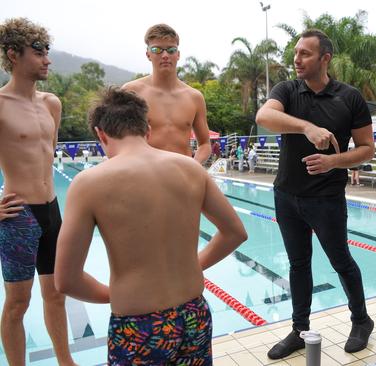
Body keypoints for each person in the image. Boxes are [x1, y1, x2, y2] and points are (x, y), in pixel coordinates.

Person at [53, 88, 247, 365]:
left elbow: (65, 279)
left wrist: (112, 294)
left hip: (137, 326)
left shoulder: (89, 184)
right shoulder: (190, 168)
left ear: (101, 134)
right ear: (148, 129)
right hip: (194, 314)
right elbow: (235, 233)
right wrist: (194, 265)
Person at [256, 29, 375, 359]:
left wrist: (334, 161)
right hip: (286, 195)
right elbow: (264, 115)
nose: (297, 58)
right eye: (295, 52)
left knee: (341, 261)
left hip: (326, 199)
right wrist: (306, 127)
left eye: (305, 53)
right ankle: (299, 330)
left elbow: (367, 149)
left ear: (325, 58)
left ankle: (362, 321)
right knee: (298, 265)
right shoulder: (287, 90)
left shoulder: (348, 97)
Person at [0, 18, 76, 366]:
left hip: (52, 210)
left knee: (57, 294)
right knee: (18, 303)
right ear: (13, 55)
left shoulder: (51, 103)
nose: (47, 59)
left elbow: (47, 155)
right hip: (19, 217)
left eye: (47, 51)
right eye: (38, 52)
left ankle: (66, 362)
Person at [122, 24, 211, 164]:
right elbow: (115, 139)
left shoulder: (194, 98)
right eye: (157, 49)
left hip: (183, 177)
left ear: (178, 54)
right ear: (148, 54)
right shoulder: (132, 92)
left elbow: (205, 144)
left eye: (171, 50)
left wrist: (194, 167)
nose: (165, 55)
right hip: (145, 176)